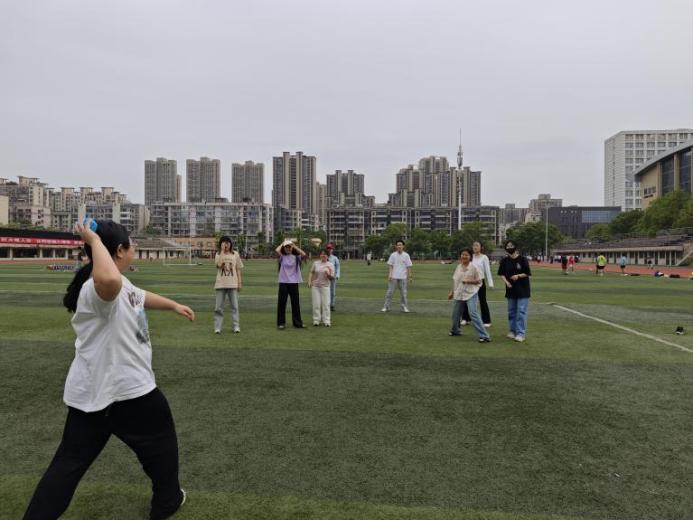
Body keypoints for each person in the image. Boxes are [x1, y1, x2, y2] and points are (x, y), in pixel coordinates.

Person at [24, 219, 194, 520]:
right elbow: (110, 281)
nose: (134, 248)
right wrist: (93, 240)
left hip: (91, 395)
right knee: (162, 446)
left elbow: (138, 296)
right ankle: (167, 500)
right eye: (131, 244)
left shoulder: (118, 283)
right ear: (119, 250)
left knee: (67, 464)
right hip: (129, 392)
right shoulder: (98, 288)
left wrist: (173, 305)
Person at [448, 248, 491, 342]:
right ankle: (455, 331)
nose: (464, 256)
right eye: (462, 254)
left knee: (473, 313)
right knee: (455, 314)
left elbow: (479, 281)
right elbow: (455, 280)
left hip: (471, 293)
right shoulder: (458, 266)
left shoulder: (474, 267)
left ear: (470, 256)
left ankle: (484, 336)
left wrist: (469, 281)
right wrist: (452, 292)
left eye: (466, 255)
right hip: (459, 293)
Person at [497, 240, 531, 343]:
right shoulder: (504, 261)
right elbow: (501, 273)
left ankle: (521, 333)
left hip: (523, 289)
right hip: (510, 289)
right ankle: (512, 331)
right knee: (511, 311)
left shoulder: (523, 259)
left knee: (521, 312)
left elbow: (527, 273)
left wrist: (518, 276)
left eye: (511, 245)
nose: (509, 247)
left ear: (516, 247)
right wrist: (507, 282)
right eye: (507, 246)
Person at [213, 236, 244, 334]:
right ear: (221, 244)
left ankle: (236, 326)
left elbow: (238, 269)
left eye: (228, 242)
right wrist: (222, 251)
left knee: (234, 306)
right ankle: (217, 327)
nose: (226, 244)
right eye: (224, 242)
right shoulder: (218, 254)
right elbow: (219, 265)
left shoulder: (235, 254)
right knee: (218, 307)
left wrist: (239, 283)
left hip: (233, 283)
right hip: (220, 284)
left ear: (231, 244)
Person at [275, 240, 307, 329]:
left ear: (292, 248)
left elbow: (304, 254)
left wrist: (294, 246)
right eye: (286, 247)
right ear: (284, 248)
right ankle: (281, 323)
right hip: (283, 282)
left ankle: (297, 323)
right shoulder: (282, 257)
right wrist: (283, 243)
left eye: (289, 247)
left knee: (295, 303)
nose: (288, 248)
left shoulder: (296, 257)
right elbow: (277, 250)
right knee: (282, 303)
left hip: (294, 282)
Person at [461, 240, 494, 327]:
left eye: (477, 245)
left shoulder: (484, 257)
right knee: (466, 299)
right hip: (470, 281)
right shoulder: (470, 256)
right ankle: (466, 319)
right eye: (474, 245)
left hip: (480, 282)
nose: (475, 247)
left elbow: (487, 271)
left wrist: (490, 283)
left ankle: (486, 321)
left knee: (482, 301)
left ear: (481, 247)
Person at [382, 239, 413, 313]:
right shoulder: (393, 255)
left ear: (403, 246)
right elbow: (391, 266)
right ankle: (386, 307)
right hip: (393, 277)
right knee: (389, 293)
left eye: (400, 245)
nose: (399, 246)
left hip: (403, 278)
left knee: (403, 294)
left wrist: (410, 277)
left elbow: (409, 266)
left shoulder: (406, 255)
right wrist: (390, 275)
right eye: (398, 245)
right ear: (396, 246)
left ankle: (404, 307)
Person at [308, 249, 335, 327]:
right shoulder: (316, 263)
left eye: (325, 254)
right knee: (316, 304)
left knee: (326, 304)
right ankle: (316, 320)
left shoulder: (330, 265)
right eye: (321, 254)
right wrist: (309, 281)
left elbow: (332, 278)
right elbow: (311, 272)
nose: (323, 255)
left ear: (328, 256)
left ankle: (327, 320)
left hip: (325, 286)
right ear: (320, 255)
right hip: (315, 286)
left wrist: (328, 275)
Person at [325, 243, 341, 312]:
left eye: (330, 248)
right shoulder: (324, 257)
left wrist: (337, 275)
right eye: (328, 248)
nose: (329, 250)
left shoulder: (335, 258)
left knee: (332, 292)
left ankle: (332, 305)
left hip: (332, 277)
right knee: (325, 291)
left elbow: (338, 267)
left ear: (332, 250)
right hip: (324, 277)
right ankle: (325, 304)